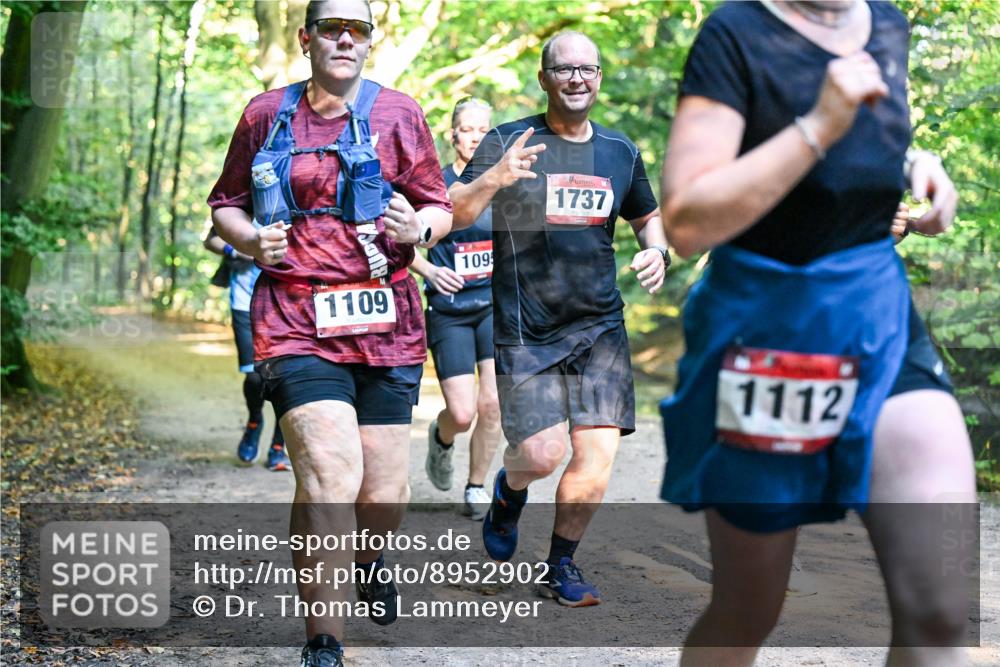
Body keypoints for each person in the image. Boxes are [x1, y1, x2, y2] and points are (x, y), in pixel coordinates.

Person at [658, 1, 974, 664]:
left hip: (878, 323)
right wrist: (819, 125)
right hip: (767, 335)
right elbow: (686, 222)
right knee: (750, 605)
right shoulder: (735, 33)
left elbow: (869, 137)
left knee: (942, 614)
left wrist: (917, 166)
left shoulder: (887, 22)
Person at [207, 1, 452, 665]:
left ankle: (368, 557)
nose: (346, 38)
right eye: (332, 27)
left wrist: (419, 230)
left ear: (371, 40)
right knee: (327, 475)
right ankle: (325, 642)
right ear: (306, 36)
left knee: (382, 493)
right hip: (294, 316)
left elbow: (436, 202)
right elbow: (225, 203)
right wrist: (253, 239)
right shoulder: (266, 113)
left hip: (386, 325)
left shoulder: (400, 112)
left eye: (360, 28)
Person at [450, 31, 671, 607]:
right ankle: (509, 490)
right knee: (541, 455)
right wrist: (495, 178)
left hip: (600, 325)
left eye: (588, 69)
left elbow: (648, 216)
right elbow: (454, 209)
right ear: (544, 78)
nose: (577, 79)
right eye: (564, 69)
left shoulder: (620, 151)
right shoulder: (508, 139)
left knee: (596, 454)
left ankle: (561, 565)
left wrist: (657, 249)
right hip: (528, 328)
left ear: (599, 77)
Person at [409, 97, 501, 520]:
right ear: (453, 135)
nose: (476, 137)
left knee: (494, 403)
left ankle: (477, 485)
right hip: (450, 310)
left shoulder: (503, 186)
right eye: (468, 129)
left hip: (494, 307)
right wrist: (428, 271)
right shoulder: (435, 186)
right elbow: (400, 243)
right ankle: (442, 438)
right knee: (462, 412)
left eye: (484, 129)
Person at [203, 228, 290, 471]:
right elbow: (211, 240)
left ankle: (278, 447)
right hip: (244, 303)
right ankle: (254, 422)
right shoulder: (244, 201)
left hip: (287, 304)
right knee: (254, 377)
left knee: (287, 378)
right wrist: (237, 249)